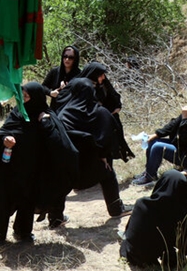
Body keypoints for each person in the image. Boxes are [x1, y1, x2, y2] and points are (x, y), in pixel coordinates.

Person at [0, 82, 73, 245]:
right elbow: (2, 133)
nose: (22, 100)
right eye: (21, 96)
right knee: (4, 200)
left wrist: (46, 124)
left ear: (36, 98)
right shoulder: (17, 113)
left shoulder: (47, 116)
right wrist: (5, 140)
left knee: (28, 200)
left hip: (34, 169)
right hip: (11, 169)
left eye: (26, 97)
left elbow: (59, 144)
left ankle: (23, 231)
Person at [55, 78, 132, 219]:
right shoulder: (101, 112)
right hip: (94, 167)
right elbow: (108, 138)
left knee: (59, 184)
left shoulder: (63, 115)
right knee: (109, 175)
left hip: (70, 170)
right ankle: (116, 209)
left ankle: (55, 217)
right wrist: (102, 155)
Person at [119, 169, 187, 268]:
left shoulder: (141, 203)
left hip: (131, 253)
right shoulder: (182, 213)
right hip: (152, 260)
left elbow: (130, 230)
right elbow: (185, 243)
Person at [134, 93, 187, 186]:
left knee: (158, 147)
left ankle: (150, 177)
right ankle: (149, 172)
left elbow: (185, 138)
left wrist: (185, 119)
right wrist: (156, 134)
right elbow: (172, 125)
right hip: (178, 147)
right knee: (153, 142)